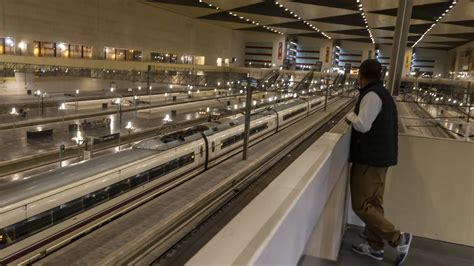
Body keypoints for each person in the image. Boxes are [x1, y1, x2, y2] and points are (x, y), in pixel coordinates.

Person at [345, 59, 412, 265]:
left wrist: (350, 116)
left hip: (370, 160)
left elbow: (363, 125)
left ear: (362, 76)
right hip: (380, 158)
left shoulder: (372, 94)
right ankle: (375, 248)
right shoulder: (382, 93)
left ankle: (398, 238)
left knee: (361, 205)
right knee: (373, 203)